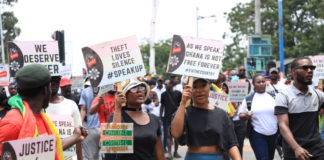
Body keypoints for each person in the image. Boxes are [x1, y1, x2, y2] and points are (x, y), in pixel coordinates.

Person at [0, 64, 86, 160]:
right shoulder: (13, 123)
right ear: (46, 90)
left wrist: (75, 137)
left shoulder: (42, 118)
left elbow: (49, 150)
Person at [171, 78, 241, 160]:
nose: (199, 90)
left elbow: (231, 143)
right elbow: (175, 133)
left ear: (209, 87)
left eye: (203, 86)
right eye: (195, 87)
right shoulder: (184, 113)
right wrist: (183, 102)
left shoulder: (221, 114)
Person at [275, 57, 324, 160]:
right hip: (294, 152)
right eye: (305, 68)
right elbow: (283, 125)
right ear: (293, 72)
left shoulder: (319, 95)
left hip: (317, 150)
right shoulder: (283, 96)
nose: (310, 71)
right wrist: (296, 148)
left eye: (312, 68)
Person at [105, 78, 165, 160]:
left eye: (142, 88)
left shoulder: (154, 119)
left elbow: (160, 155)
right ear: (124, 95)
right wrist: (118, 107)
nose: (139, 91)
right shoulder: (116, 117)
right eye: (133, 88)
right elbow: (114, 147)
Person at [239, 74, 278, 160]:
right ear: (253, 84)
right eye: (258, 82)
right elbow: (241, 115)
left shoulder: (274, 97)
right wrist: (246, 116)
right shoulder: (248, 99)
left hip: (274, 134)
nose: (261, 84)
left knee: (270, 158)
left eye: (263, 81)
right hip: (257, 134)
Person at [46, 76, 83, 160]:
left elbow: (78, 135)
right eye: (50, 80)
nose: (53, 83)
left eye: (56, 80)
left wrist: (80, 158)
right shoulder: (38, 107)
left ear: (59, 83)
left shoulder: (71, 105)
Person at [160, 79, 182, 159]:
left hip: (177, 118)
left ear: (172, 84)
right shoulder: (163, 94)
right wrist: (160, 117)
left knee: (176, 136)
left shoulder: (178, 94)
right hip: (167, 118)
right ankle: (169, 153)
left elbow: (181, 105)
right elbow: (162, 106)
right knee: (169, 136)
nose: (165, 86)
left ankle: (175, 152)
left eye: (167, 84)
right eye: (165, 84)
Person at [79, 81, 101, 160]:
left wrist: (80, 123)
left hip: (102, 128)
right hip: (93, 128)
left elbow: (83, 109)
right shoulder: (85, 92)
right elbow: (83, 109)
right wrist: (80, 124)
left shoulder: (107, 89)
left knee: (93, 156)